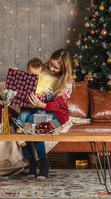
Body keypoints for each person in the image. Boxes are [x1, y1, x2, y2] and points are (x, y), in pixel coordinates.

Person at [22, 49, 74, 180]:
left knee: (35, 124)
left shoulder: (67, 81)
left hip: (59, 117)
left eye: (55, 67)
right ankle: (32, 163)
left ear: (63, 68)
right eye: (50, 63)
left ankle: (44, 164)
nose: (50, 68)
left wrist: (42, 105)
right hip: (40, 111)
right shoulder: (43, 69)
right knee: (26, 123)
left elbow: (58, 105)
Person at [16, 58, 55, 131]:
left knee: (41, 114)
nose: (33, 77)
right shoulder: (24, 81)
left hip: (39, 107)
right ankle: (19, 130)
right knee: (22, 115)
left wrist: (43, 97)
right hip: (27, 107)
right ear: (27, 72)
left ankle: (38, 129)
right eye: (31, 74)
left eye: (36, 75)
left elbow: (50, 95)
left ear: (42, 73)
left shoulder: (45, 83)